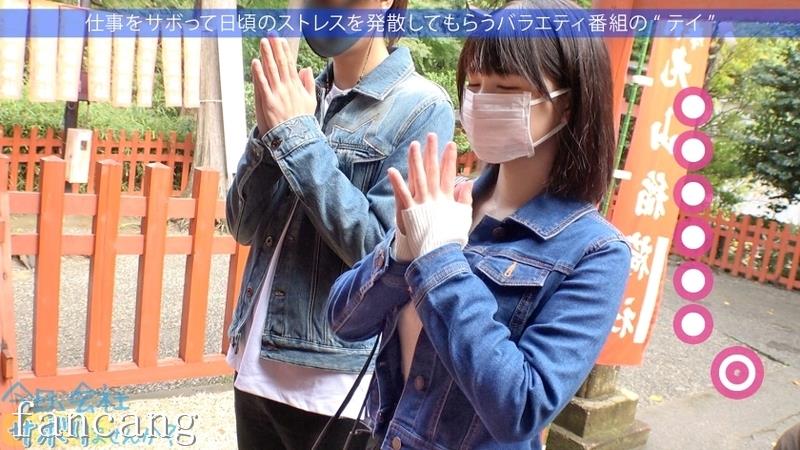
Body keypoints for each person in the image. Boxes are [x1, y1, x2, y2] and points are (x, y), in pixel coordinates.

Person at [326, 0, 633, 448]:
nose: (483, 101)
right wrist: (400, 255)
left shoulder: (596, 252)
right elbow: (342, 321)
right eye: (474, 85)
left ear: (568, 104)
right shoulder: (446, 200)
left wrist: (440, 260)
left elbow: (521, 408)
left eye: (506, 88)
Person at [224, 0, 454, 446]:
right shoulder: (299, 94)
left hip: (332, 385)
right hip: (252, 361)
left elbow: (380, 250)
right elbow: (242, 226)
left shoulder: (423, 107)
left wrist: (296, 135)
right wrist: (269, 133)